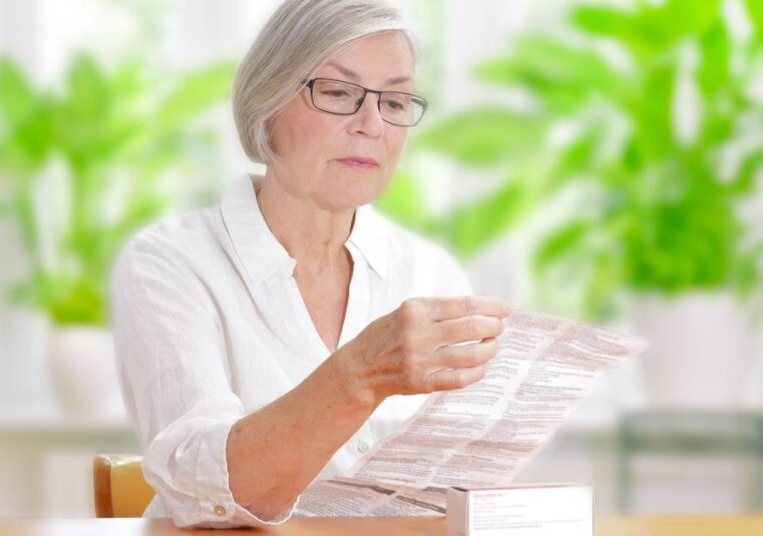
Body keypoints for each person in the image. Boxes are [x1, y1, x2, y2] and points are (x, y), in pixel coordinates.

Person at [110, 0, 510, 529]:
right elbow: (205, 493)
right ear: (267, 104)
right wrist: (361, 371)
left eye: (394, 101)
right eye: (339, 93)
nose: (372, 124)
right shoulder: (170, 265)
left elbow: (464, 489)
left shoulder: (432, 273)